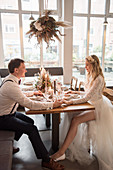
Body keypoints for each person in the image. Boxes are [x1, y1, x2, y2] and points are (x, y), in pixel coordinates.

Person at [0, 58, 64, 170]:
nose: (26, 70)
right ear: (16, 70)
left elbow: (19, 94)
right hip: (3, 118)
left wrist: (33, 93)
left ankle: (13, 140)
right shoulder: (11, 85)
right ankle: (46, 160)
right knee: (32, 128)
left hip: (9, 114)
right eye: (23, 68)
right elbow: (30, 105)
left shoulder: (10, 80)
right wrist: (52, 105)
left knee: (29, 121)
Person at [51, 55, 113, 170]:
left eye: (87, 65)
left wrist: (70, 102)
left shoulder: (99, 79)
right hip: (90, 104)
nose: (85, 67)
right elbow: (86, 95)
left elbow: (87, 97)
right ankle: (71, 145)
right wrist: (73, 93)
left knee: (76, 120)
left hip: (98, 108)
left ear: (93, 65)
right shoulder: (90, 76)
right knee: (71, 114)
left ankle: (61, 152)